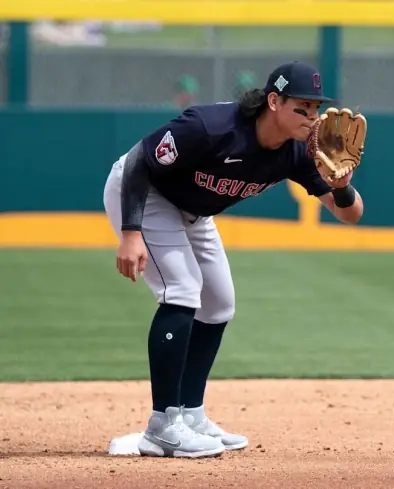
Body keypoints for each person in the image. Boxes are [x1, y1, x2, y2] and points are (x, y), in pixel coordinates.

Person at [102, 61, 364, 458]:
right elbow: (141, 160)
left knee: (220, 303)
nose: (311, 118)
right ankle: (162, 425)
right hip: (145, 193)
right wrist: (131, 233)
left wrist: (341, 185)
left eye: (315, 109)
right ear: (273, 101)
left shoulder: (298, 152)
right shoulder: (211, 127)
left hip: (193, 210)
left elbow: (350, 213)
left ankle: (190, 414)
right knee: (183, 289)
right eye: (302, 108)